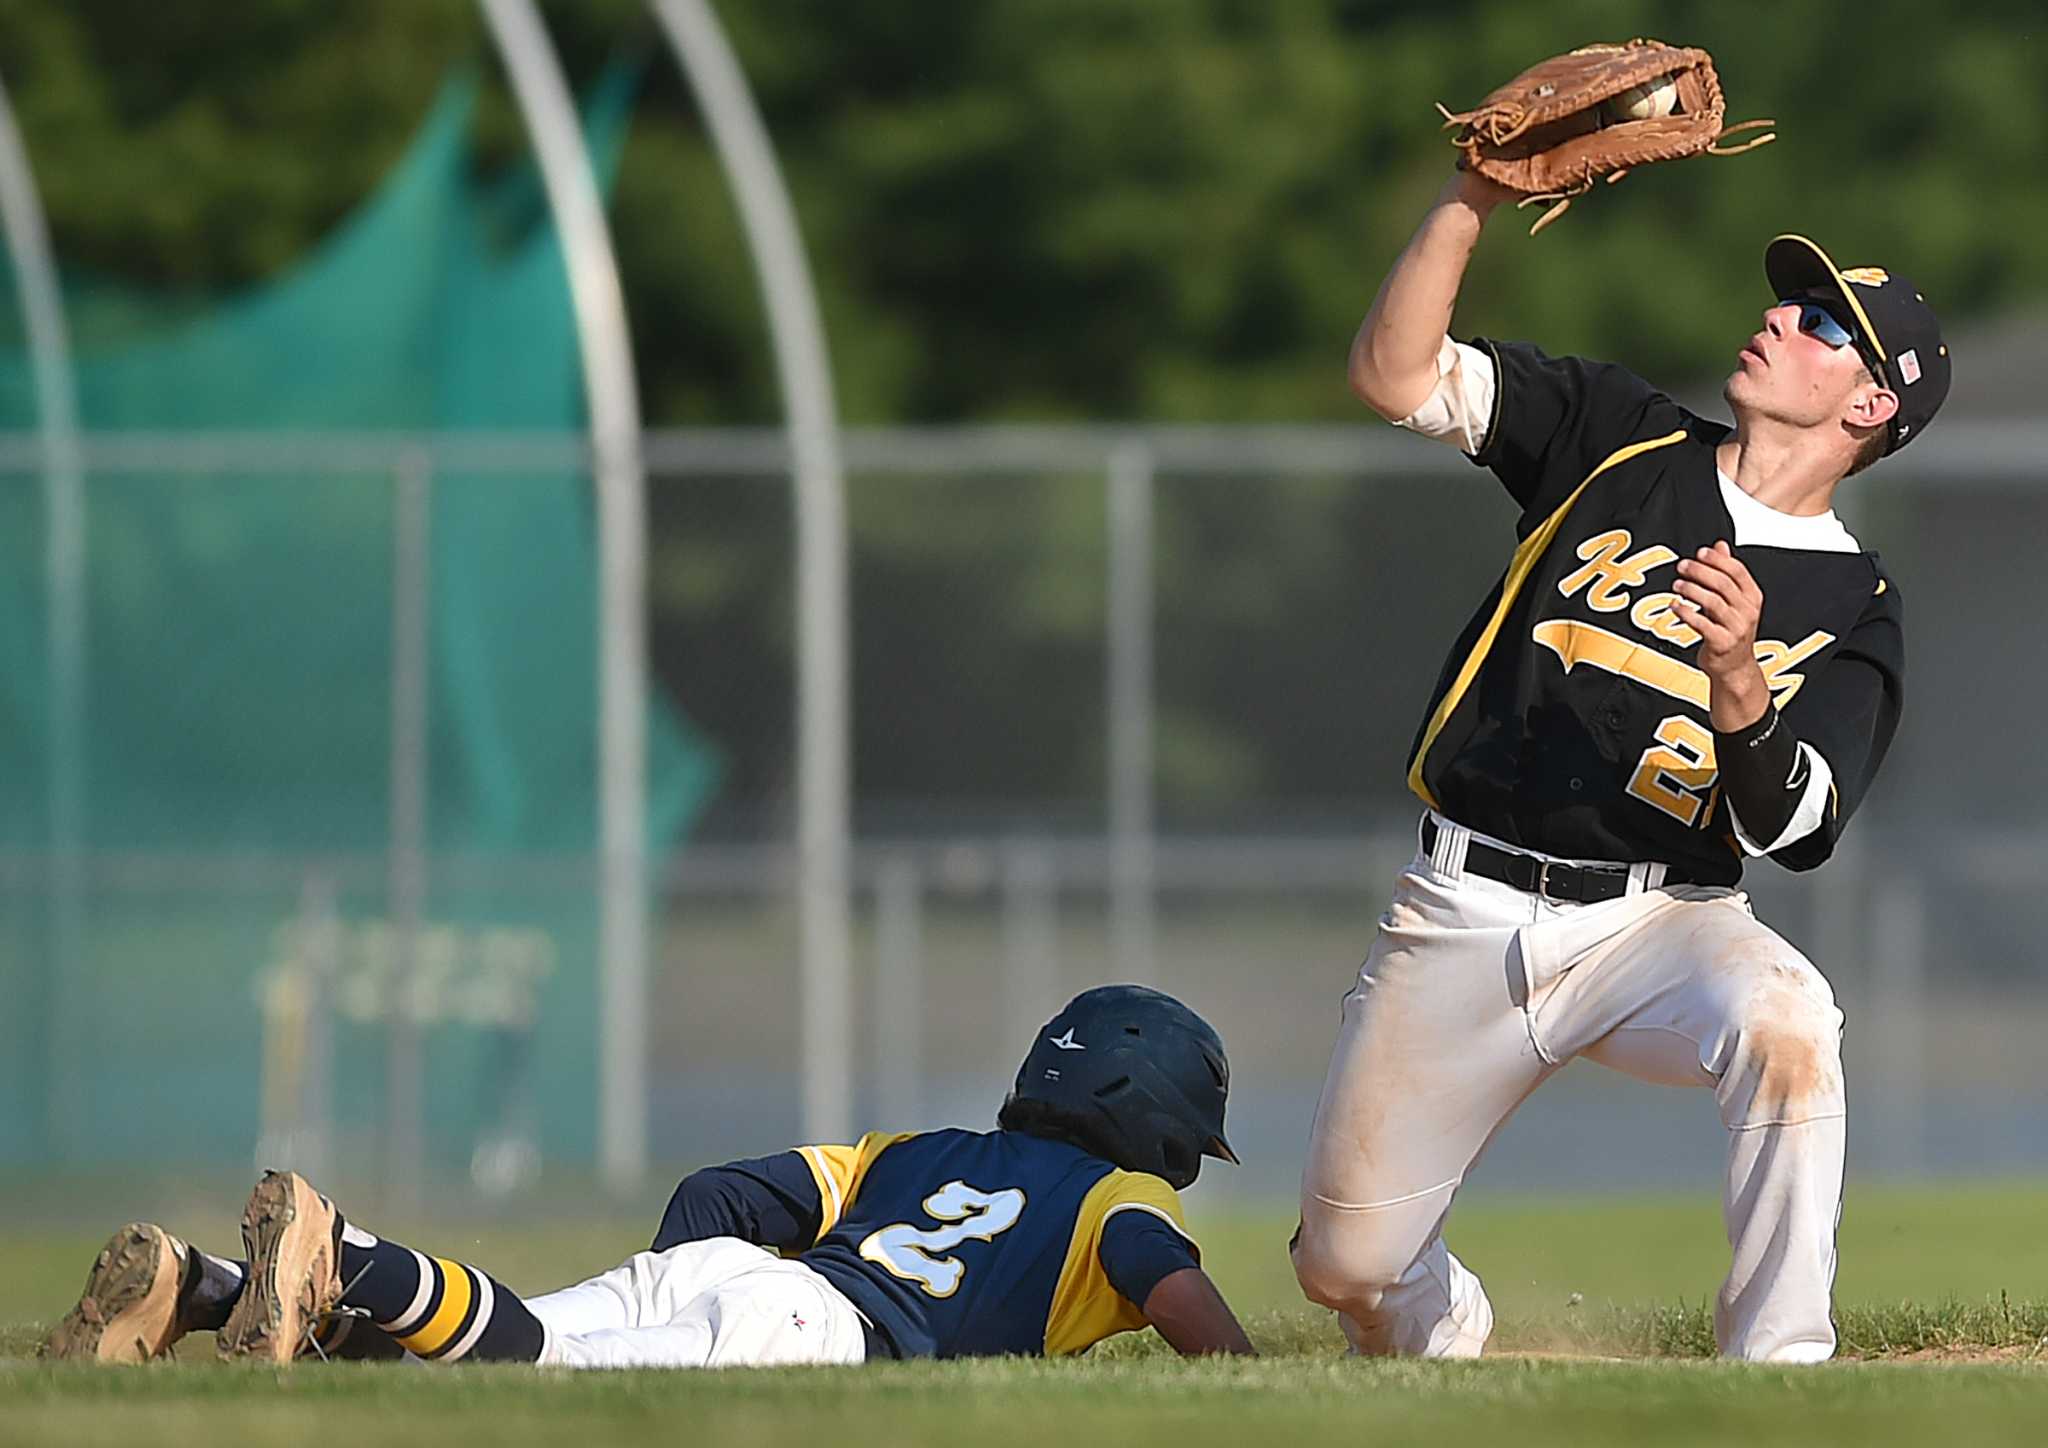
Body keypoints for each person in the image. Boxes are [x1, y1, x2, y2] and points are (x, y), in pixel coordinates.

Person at [1289, 168, 1950, 1364]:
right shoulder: (1615, 433)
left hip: (1660, 923)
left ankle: (1780, 1367)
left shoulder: (1855, 604)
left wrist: (1741, 678)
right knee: (1345, 1269)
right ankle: (1451, 1323)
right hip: (1463, 904)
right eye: (1789, 302)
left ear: (1867, 406)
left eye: (1817, 324)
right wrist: (1468, 199)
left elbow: (1797, 828)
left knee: (1787, 1017)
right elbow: (1394, 374)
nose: (1776, 318)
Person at [44, 984, 1252, 1368]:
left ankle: (200, 1289)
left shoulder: (915, 1149)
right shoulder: (1118, 1203)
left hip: (739, 1267)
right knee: (537, 1375)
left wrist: (682, 1277)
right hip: (815, 1330)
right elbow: (1172, 1288)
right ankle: (339, 1248)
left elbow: (725, 1195)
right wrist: (1239, 1371)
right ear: (1151, 1122)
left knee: (491, 1349)